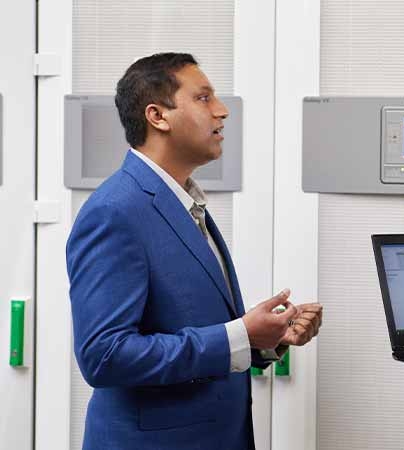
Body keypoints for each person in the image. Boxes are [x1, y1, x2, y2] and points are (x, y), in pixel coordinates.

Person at [66, 52, 322, 450]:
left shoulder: (183, 201)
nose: (221, 110)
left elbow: (189, 324)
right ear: (158, 116)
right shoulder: (114, 212)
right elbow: (104, 356)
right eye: (203, 98)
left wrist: (265, 339)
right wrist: (239, 334)